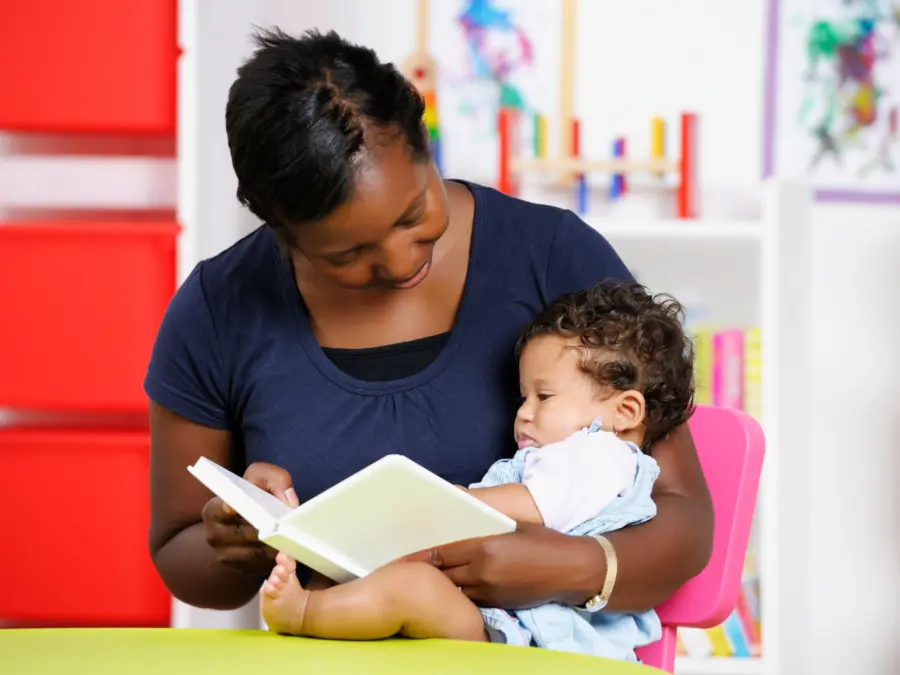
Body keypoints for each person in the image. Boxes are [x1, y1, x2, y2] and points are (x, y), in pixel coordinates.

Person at [145, 26, 713, 625]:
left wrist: (566, 568)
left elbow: (684, 514)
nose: (401, 261)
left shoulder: (551, 257)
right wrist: (238, 541)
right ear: (281, 232)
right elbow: (178, 553)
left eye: (414, 213)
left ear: (425, 143)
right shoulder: (219, 309)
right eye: (347, 255)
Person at [259, 281, 696, 662]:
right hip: (504, 626)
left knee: (410, 588)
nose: (523, 414)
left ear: (625, 410)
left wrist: (444, 502)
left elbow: (536, 506)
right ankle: (317, 610)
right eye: (523, 398)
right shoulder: (569, 454)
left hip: (540, 641)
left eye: (543, 397)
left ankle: (304, 613)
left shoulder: (602, 455)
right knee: (378, 578)